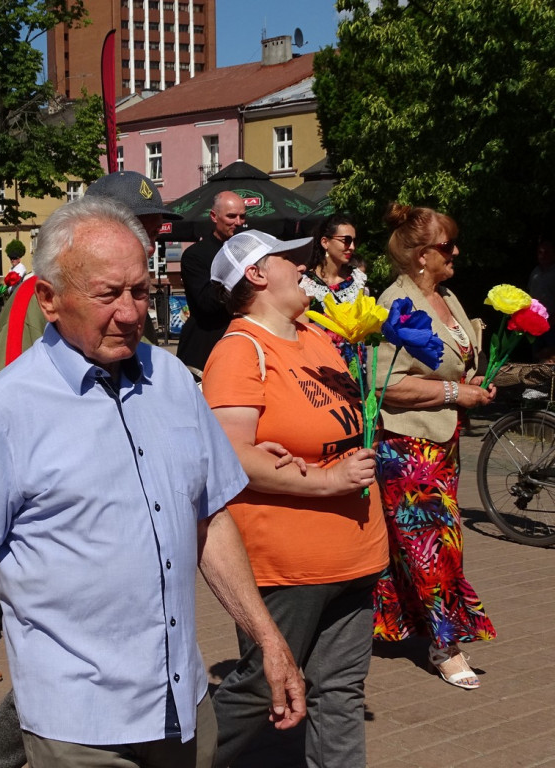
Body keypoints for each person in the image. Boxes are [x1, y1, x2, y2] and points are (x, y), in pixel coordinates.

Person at [0, 198, 305, 768]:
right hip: (77, 720)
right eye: (107, 295)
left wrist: (268, 640)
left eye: (141, 292)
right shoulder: (6, 411)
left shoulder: (173, 380)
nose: (130, 313)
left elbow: (209, 520)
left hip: (181, 704)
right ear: (49, 300)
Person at [202, 229, 388, 767]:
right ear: (256, 275)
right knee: (261, 690)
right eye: (292, 260)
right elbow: (232, 456)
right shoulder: (240, 351)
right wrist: (329, 482)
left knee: (339, 694)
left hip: (356, 556)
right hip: (288, 568)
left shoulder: (317, 336)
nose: (306, 267)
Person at [373, 203, 497, 689]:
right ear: (422, 255)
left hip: (442, 446)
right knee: (434, 549)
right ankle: (446, 645)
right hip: (406, 450)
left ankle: (395, 625)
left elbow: (454, 362)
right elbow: (384, 382)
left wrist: (472, 381)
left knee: (420, 548)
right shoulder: (396, 302)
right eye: (447, 246)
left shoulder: (447, 297)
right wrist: (454, 392)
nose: (456, 253)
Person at [0, 170, 181, 372]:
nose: (149, 246)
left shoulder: (134, 294)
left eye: (153, 234)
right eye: (136, 231)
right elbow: (14, 387)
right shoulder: (35, 296)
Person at [176, 191, 247, 371]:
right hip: (205, 345)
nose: (238, 222)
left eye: (242, 216)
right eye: (231, 216)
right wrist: (238, 270)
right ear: (214, 216)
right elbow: (206, 304)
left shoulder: (249, 251)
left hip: (242, 340)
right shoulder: (195, 255)